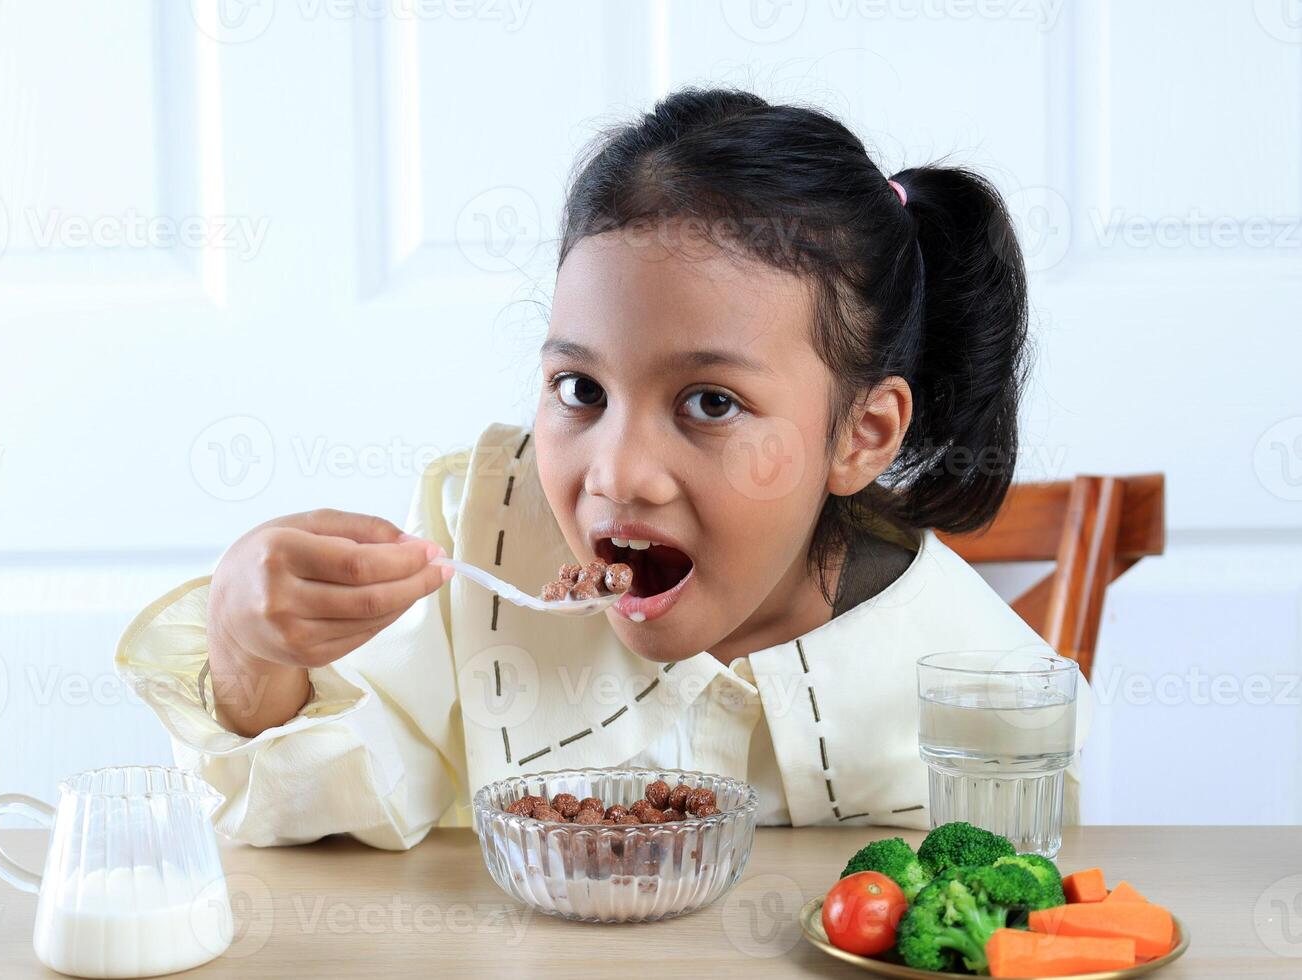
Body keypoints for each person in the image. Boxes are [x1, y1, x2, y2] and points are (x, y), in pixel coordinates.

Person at [117, 88, 1088, 848]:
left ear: (860, 435)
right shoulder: (492, 542)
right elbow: (322, 815)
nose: (619, 474)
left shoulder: (986, 690)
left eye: (711, 402)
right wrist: (252, 655)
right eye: (580, 389)